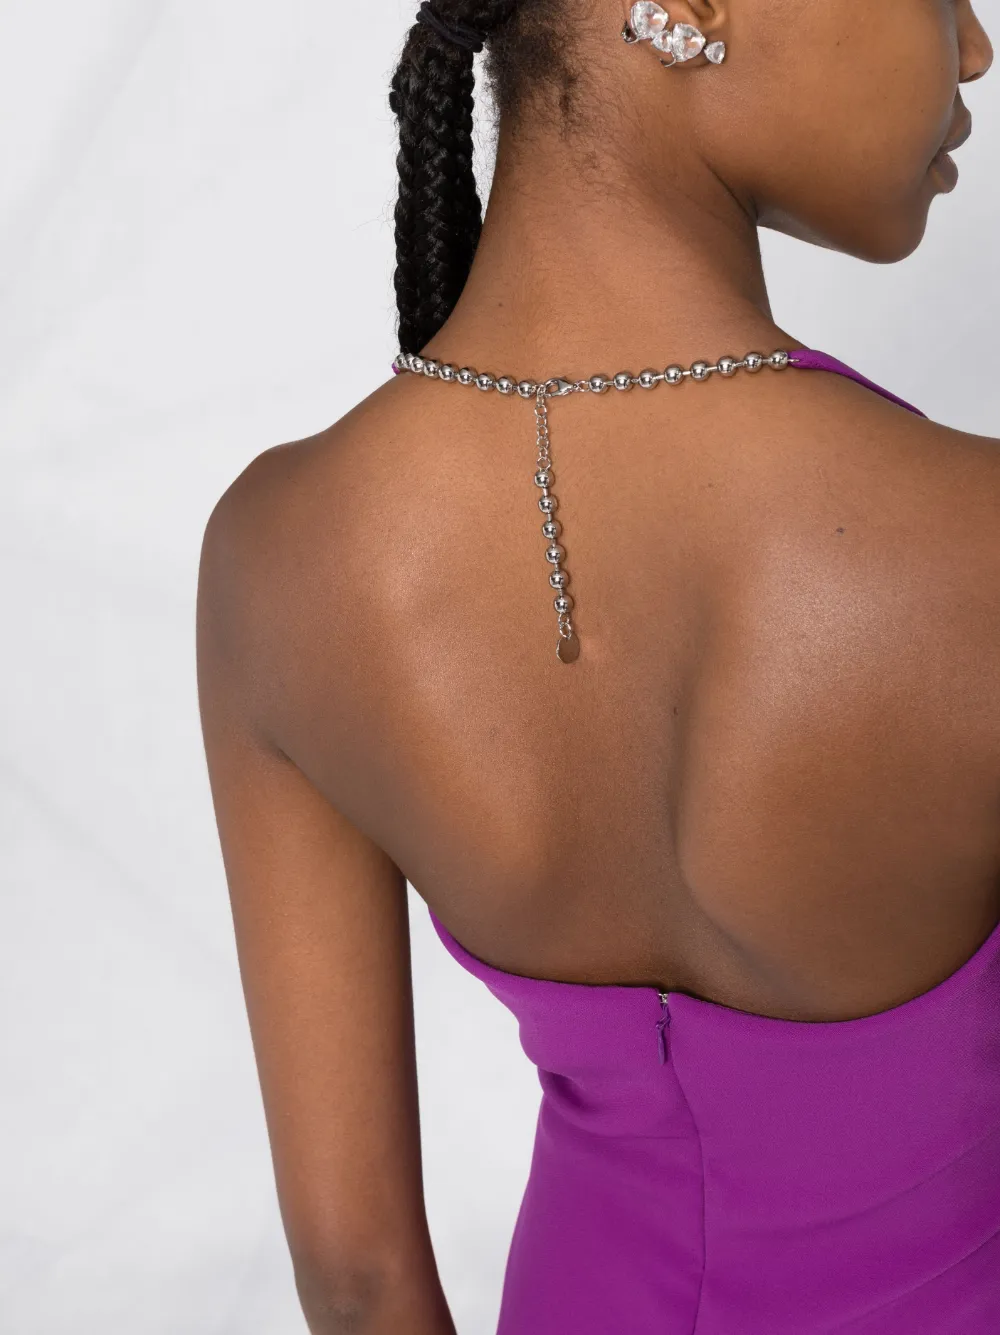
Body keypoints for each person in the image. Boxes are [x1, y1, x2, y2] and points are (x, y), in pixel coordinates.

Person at [195, 1, 997, 1331]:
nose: (971, 45)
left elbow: (360, 1279)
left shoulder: (280, 555)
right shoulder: (976, 546)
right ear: (684, 6)